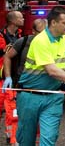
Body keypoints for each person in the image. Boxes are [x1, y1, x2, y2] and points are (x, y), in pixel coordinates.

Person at [15, 6, 65, 146]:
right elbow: (52, 70)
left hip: (53, 97)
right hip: (29, 96)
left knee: (49, 139)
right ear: (53, 23)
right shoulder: (40, 41)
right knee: (26, 139)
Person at [2, 18, 45, 145]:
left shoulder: (50, 43)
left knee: (35, 120)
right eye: (40, 33)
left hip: (40, 89)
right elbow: (7, 57)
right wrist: (8, 76)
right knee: (16, 116)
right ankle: (15, 141)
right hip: (20, 87)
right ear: (33, 31)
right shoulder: (24, 41)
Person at [0, 11, 24, 142]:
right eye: (21, 17)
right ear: (13, 21)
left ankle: (11, 138)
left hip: (10, 79)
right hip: (1, 79)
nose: (23, 19)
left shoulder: (20, 36)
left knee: (12, 112)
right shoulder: (1, 36)